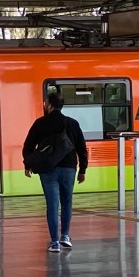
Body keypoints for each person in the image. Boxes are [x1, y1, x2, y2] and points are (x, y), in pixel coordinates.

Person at [22, 90, 88, 252]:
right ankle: (65, 236)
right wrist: (82, 169)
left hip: (47, 169)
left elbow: (28, 146)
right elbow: (81, 148)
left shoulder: (40, 123)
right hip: (69, 168)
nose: (44, 105)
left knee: (52, 205)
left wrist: (27, 164)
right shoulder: (72, 123)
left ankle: (54, 243)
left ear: (50, 105)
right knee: (67, 202)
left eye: (45, 103)